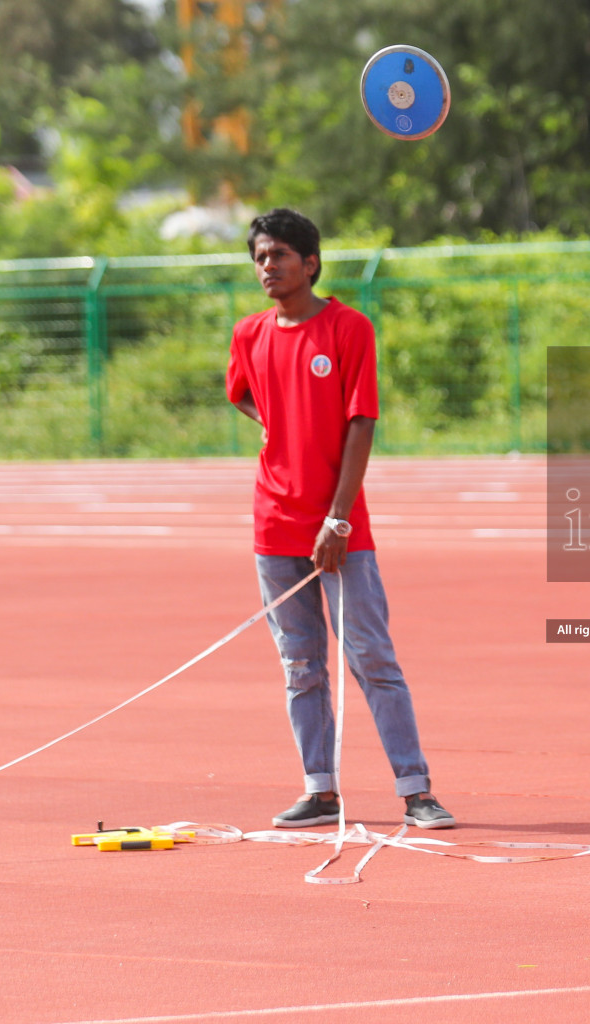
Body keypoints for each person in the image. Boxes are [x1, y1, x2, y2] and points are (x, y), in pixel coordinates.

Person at [226, 208, 454, 830]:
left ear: (311, 262)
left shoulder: (349, 329)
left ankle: (416, 791)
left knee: (371, 656)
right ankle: (320, 790)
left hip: (338, 527)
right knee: (300, 665)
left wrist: (338, 519)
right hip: (273, 524)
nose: (266, 267)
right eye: (260, 257)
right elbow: (241, 392)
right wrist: (276, 421)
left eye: (278, 256)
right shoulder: (249, 334)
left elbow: (362, 421)